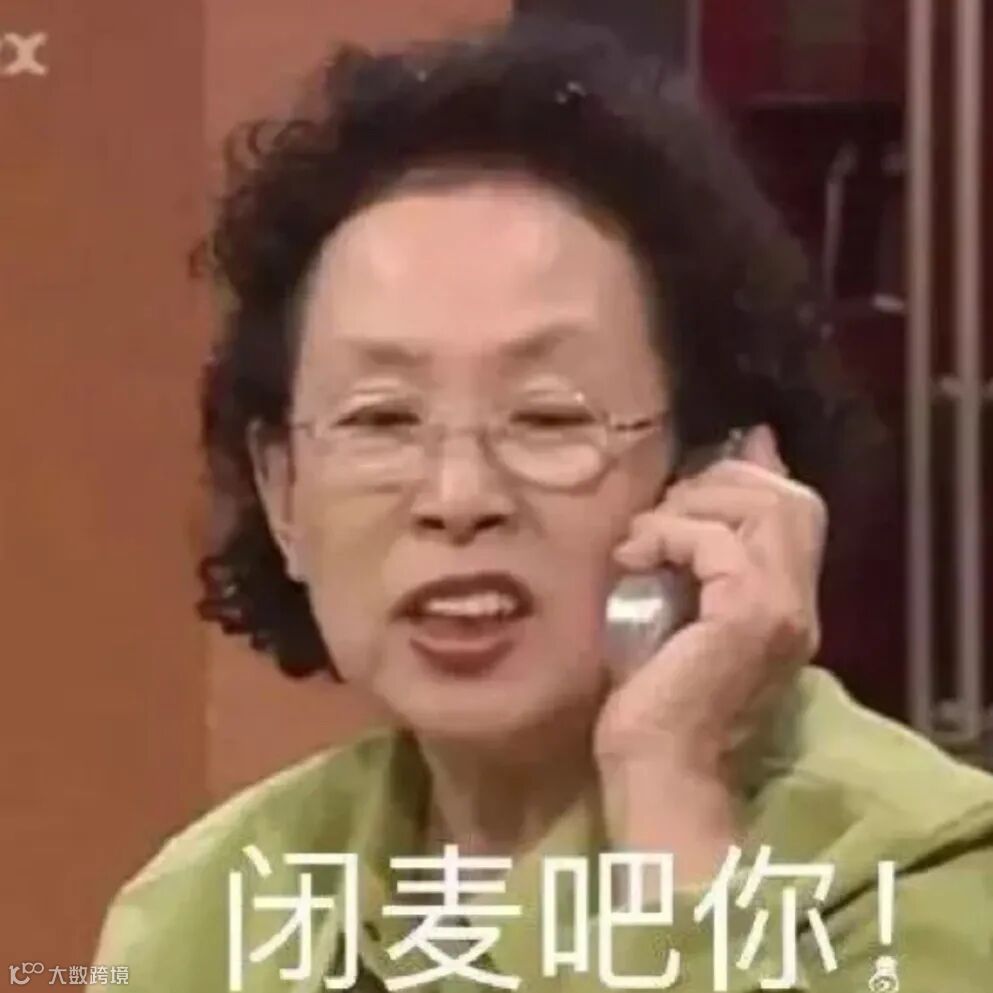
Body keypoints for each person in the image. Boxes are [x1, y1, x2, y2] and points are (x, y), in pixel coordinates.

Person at [89, 18, 993, 992]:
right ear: (283, 495)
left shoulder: (924, 873)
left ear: (715, 470)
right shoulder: (213, 903)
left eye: (548, 417)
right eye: (382, 418)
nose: (458, 498)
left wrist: (669, 795)